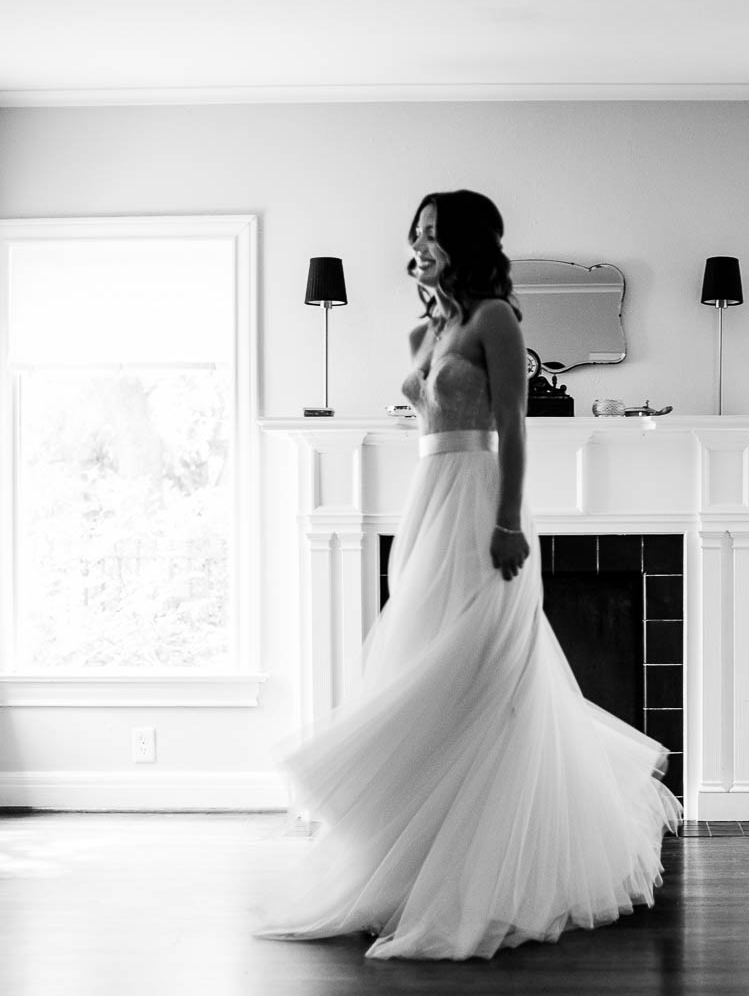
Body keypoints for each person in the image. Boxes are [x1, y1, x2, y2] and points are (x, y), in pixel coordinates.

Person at [255, 190, 681, 960]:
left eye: (433, 235)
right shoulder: (426, 328)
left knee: (483, 674)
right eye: (414, 234)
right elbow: (424, 415)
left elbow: (513, 428)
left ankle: (486, 871)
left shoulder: (496, 321)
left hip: (483, 502)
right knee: (421, 664)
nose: (418, 246)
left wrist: (509, 523)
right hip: (428, 508)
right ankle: (412, 864)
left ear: (467, 243)